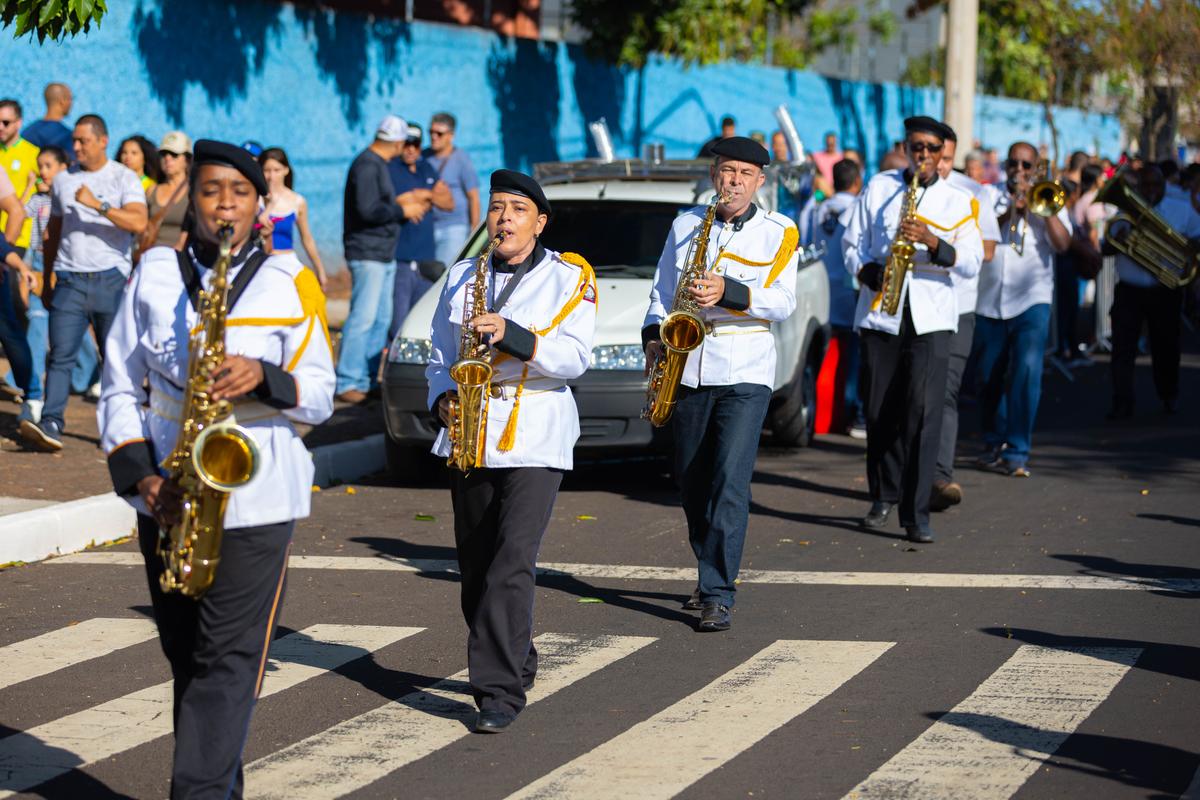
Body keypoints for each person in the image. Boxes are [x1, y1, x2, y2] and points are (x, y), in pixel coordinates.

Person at [98, 139, 334, 798]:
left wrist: (266, 375)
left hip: (257, 492)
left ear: (259, 204)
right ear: (190, 202)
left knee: (226, 660)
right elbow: (119, 383)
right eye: (210, 190)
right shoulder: (155, 274)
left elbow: (319, 389)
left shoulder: (291, 279)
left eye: (239, 191)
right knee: (186, 657)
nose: (224, 203)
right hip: (169, 491)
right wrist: (142, 476)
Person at [426, 169, 596, 732]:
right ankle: (515, 656)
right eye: (497, 207)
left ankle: (496, 692)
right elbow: (435, 355)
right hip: (470, 430)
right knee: (475, 568)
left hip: (536, 430)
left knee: (510, 561)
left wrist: (512, 333)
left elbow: (574, 359)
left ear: (539, 222)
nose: (503, 218)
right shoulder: (458, 278)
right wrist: (443, 399)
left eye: (517, 210)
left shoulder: (569, 276)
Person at [644, 136, 799, 631]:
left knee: (730, 482)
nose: (732, 181)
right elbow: (660, 291)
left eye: (743, 174)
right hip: (688, 365)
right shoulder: (687, 224)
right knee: (691, 480)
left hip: (746, 370)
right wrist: (653, 338)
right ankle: (709, 562)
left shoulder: (781, 230)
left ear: (759, 181)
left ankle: (717, 591)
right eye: (725, 171)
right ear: (714, 175)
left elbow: (782, 301)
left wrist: (729, 292)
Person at [842, 116, 983, 543]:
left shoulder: (958, 200)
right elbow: (852, 242)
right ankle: (882, 496)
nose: (922, 155)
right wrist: (869, 273)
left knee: (923, 412)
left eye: (931, 149)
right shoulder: (881, 188)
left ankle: (916, 512)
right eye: (916, 147)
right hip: (882, 312)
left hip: (932, 316)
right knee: (880, 408)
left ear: (943, 155)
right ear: (907, 148)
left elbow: (974, 260)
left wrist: (934, 241)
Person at [18, 114, 148, 452]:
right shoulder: (63, 180)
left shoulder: (123, 178)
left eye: (82, 141)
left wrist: (98, 205)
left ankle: (120, 429)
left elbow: (138, 221)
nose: (75, 147)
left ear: (102, 141)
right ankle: (51, 423)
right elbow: (53, 232)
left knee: (115, 359)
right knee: (60, 354)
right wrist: (48, 278)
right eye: (74, 141)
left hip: (110, 280)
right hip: (70, 280)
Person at [971, 141, 1072, 477]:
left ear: (1036, 168)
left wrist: (1045, 211)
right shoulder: (988, 196)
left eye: (1026, 166)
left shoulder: (1049, 196)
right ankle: (992, 439)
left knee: (1026, 371)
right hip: (989, 299)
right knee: (988, 376)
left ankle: (1017, 449)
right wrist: (1010, 211)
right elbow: (978, 236)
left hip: (1032, 299)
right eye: (1013, 163)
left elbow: (1063, 244)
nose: (1019, 171)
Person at [930, 126, 1000, 511]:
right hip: (917, 310)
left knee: (947, 391)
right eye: (933, 156)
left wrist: (944, 246)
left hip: (959, 306)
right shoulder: (905, 189)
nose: (939, 165)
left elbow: (987, 250)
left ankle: (940, 475)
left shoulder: (974, 192)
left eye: (945, 158)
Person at [1105, 165, 1200, 418]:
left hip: (1164, 289)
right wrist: (1123, 241)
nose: (1150, 191)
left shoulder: (1180, 210)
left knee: (1166, 347)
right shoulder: (1125, 212)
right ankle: (1122, 402)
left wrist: (1185, 244)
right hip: (1130, 289)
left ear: (1163, 187)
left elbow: (1197, 238)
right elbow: (1106, 248)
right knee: (1122, 348)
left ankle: (1169, 394)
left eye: (1155, 186)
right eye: (1145, 186)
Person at [337, 115, 410, 403]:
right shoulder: (367, 165)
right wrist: (401, 210)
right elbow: (368, 211)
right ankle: (346, 381)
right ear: (398, 142)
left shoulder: (376, 164)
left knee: (380, 319)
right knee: (363, 319)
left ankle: (366, 379)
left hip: (382, 253)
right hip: (367, 252)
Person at [12, 146, 70, 424]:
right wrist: (25, 189)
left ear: (62, 167)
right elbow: (19, 212)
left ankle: (90, 377)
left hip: (65, 267)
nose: (43, 172)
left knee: (72, 335)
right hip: (37, 263)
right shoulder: (37, 199)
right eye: (40, 166)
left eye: (48, 165)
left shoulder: (70, 197)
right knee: (37, 322)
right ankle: (32, 395)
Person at [387, 122, 451, 340]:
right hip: (401, 259)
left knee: (422, 323)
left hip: (426, 261)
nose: (411, 149)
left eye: (415, 144)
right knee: (397, 324)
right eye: (407, 144)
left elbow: (449, 201)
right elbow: (396, 201)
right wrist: (428, 195)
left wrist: (423, 194)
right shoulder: (391, 169)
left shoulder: (426, 168)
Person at [815, 158, 864, 434]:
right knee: (852, 355)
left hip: (820, 286)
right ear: (857, 182)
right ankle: (851, 414)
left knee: (822, 354)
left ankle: (819, 415)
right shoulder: (858, 208)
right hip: (848, 289)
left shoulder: (817, 207)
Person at [259, 146, 328, 289]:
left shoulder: (297, 201)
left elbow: (307, 238)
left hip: (287, 262)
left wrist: (319, 269)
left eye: (276, 170)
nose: (271, 176)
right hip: (261, 262)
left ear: (286, 170)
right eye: (267, 170)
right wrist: (269, 206)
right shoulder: (255, 200)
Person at [424, 112, 480, 267]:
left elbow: (473, 196)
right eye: (431, 132)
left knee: (446, 274)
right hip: (428, 227)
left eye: (439, 133)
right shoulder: (423, 157)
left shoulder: (461, 159)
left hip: (454, 228)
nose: (434, 137)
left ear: (450, 136)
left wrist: (474, 232)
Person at [142, 131, 192, 252]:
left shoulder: (194, 192)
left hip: (181, 259)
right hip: (150, 257)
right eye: (164, 154)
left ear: (186, 160)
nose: (168, 158)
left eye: (174, 154)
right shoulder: (151, 190)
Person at [0, 99, 40, 250]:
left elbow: (44, 195)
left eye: (5, 122)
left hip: (20, 238)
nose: (0, 127)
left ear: (18, 123)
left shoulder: (33, 154)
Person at [22, 83, 74, 155]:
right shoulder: (66, 136)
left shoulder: (28, 131)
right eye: (70, 98)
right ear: (62, 101)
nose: (71, 103)